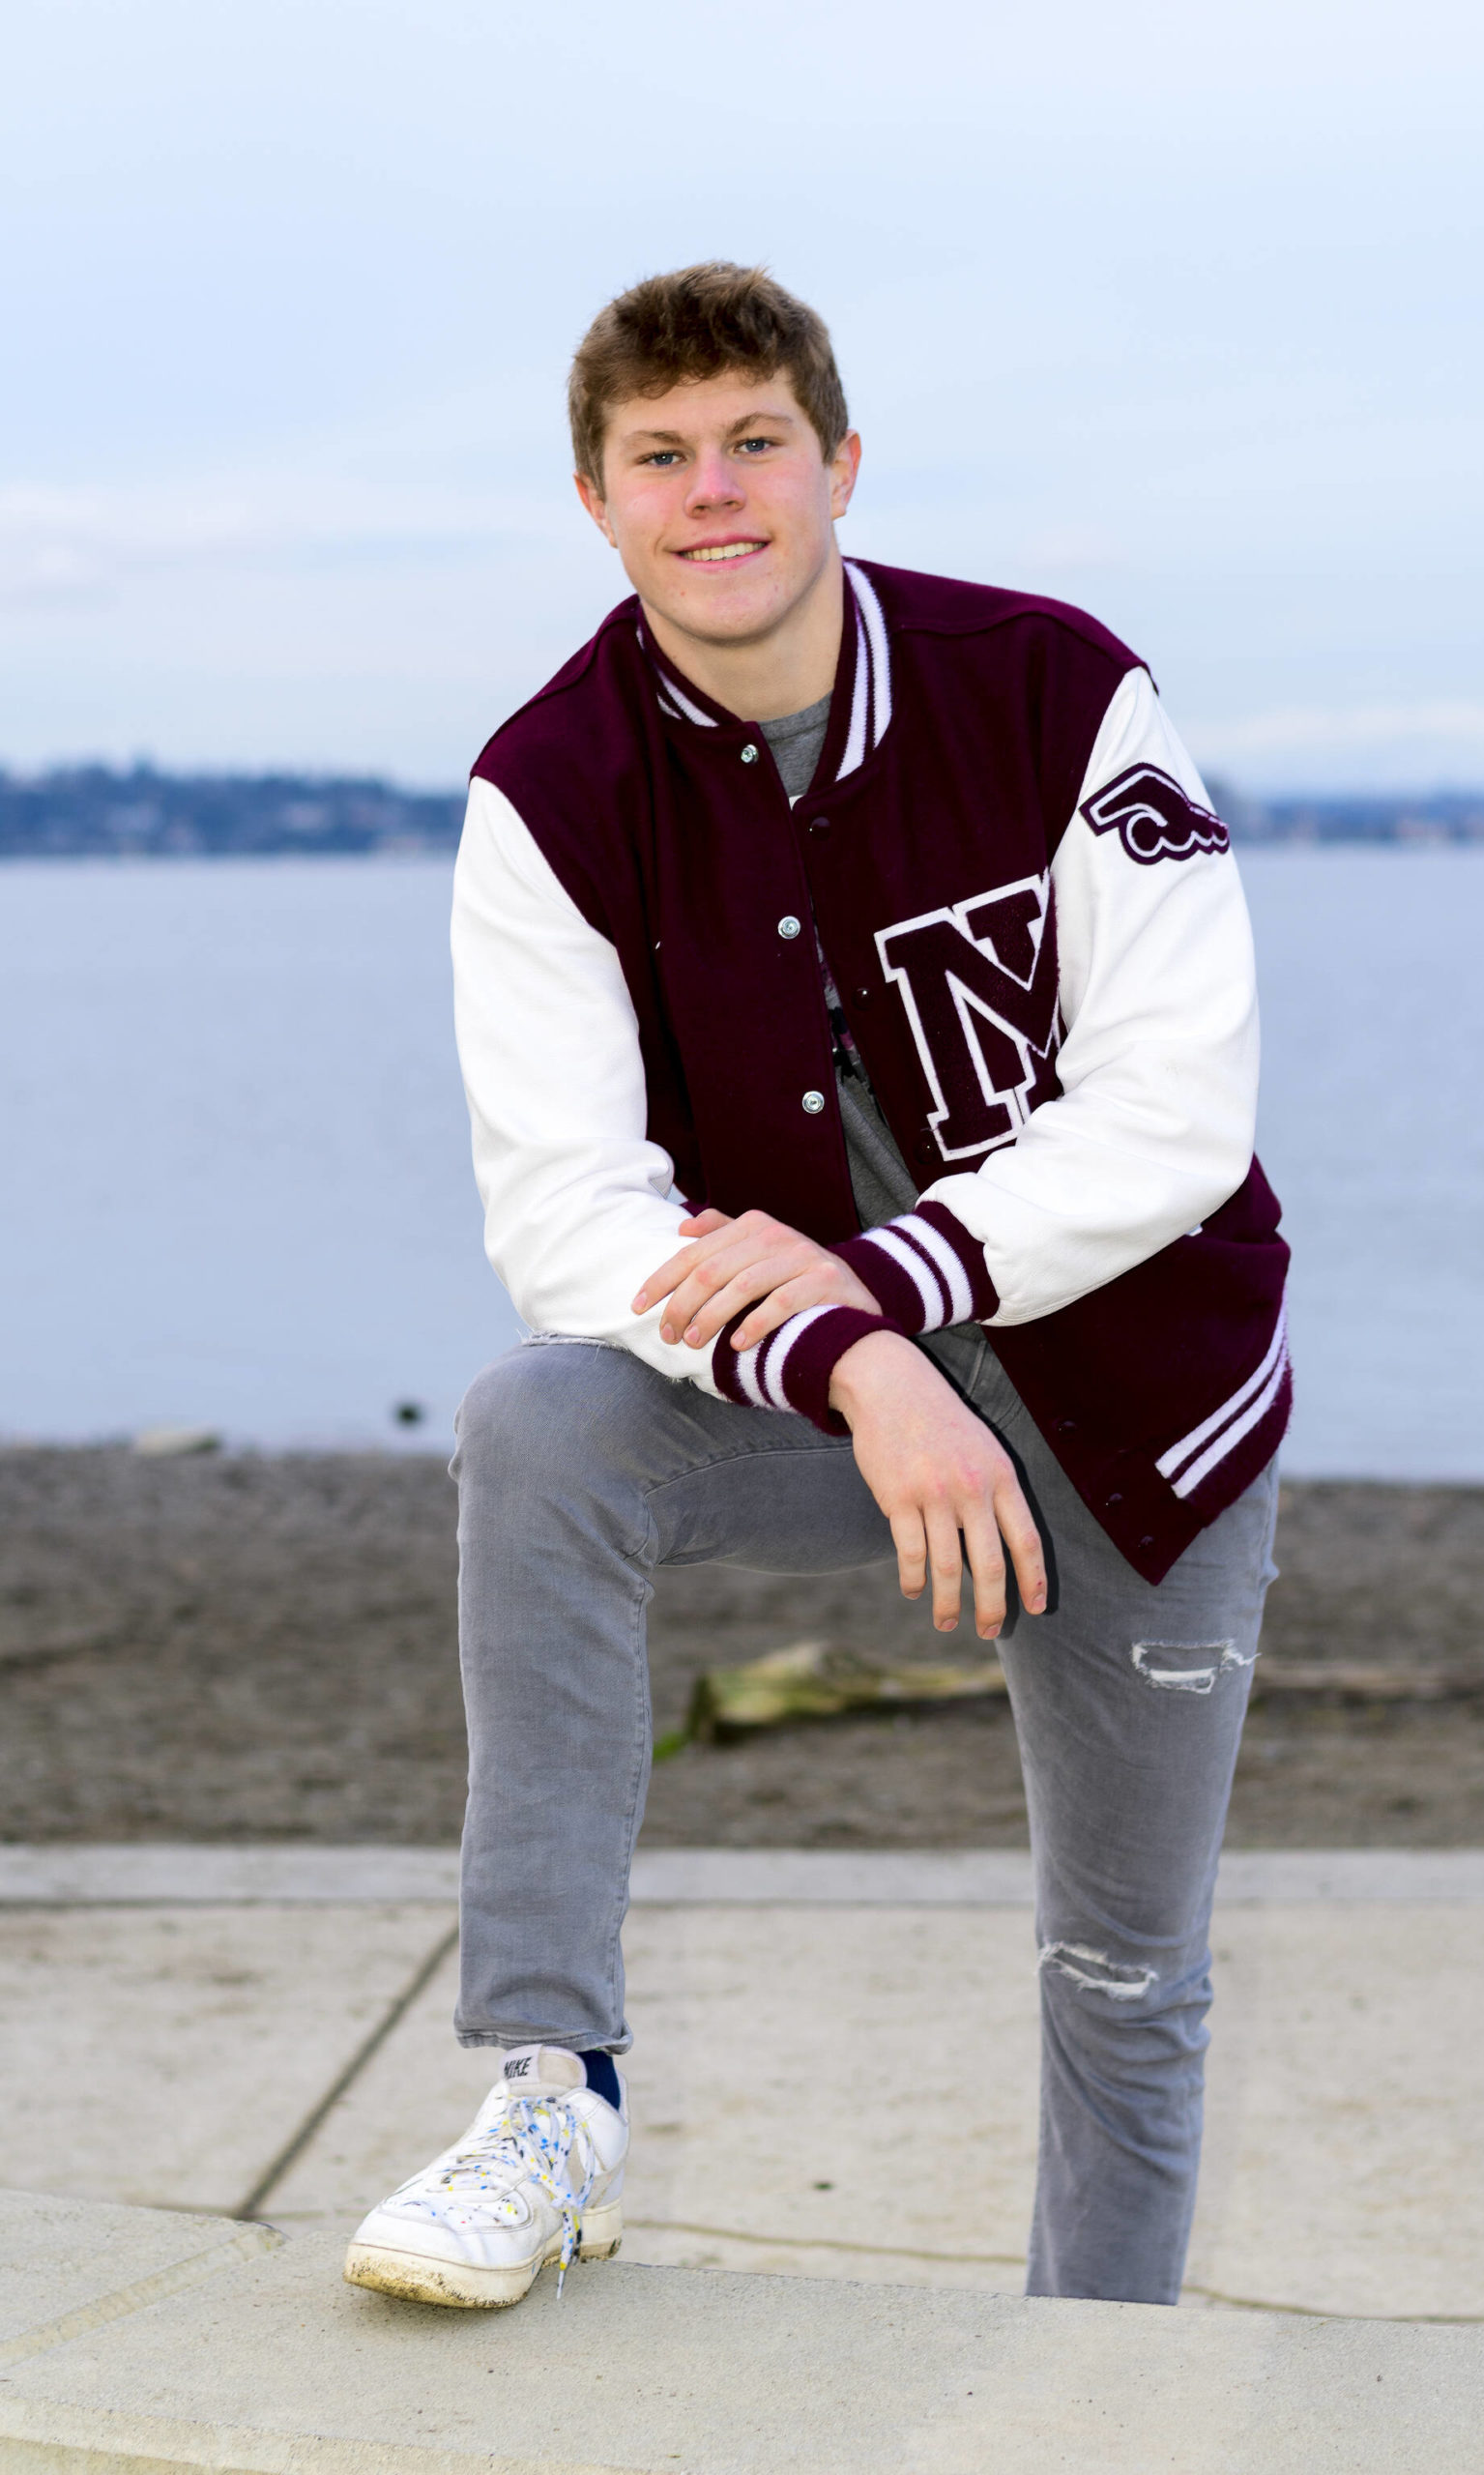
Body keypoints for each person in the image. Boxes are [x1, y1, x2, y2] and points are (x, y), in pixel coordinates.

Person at [343, 261, 1290, 2315]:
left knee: (1123, 1965)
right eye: (658, 457)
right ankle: (549, 2089)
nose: (714, 492)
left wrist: (883, 1278)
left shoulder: (1054, 687)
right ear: (594, 500)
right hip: (828, 1405)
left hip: (1126, 1408)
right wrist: (863, 1354)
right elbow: (565, 1209)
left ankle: (1085, 2384)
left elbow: (1177, 1111)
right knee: (538, 1426)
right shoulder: (551, 787)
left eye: (754, 441)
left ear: (839, 463)